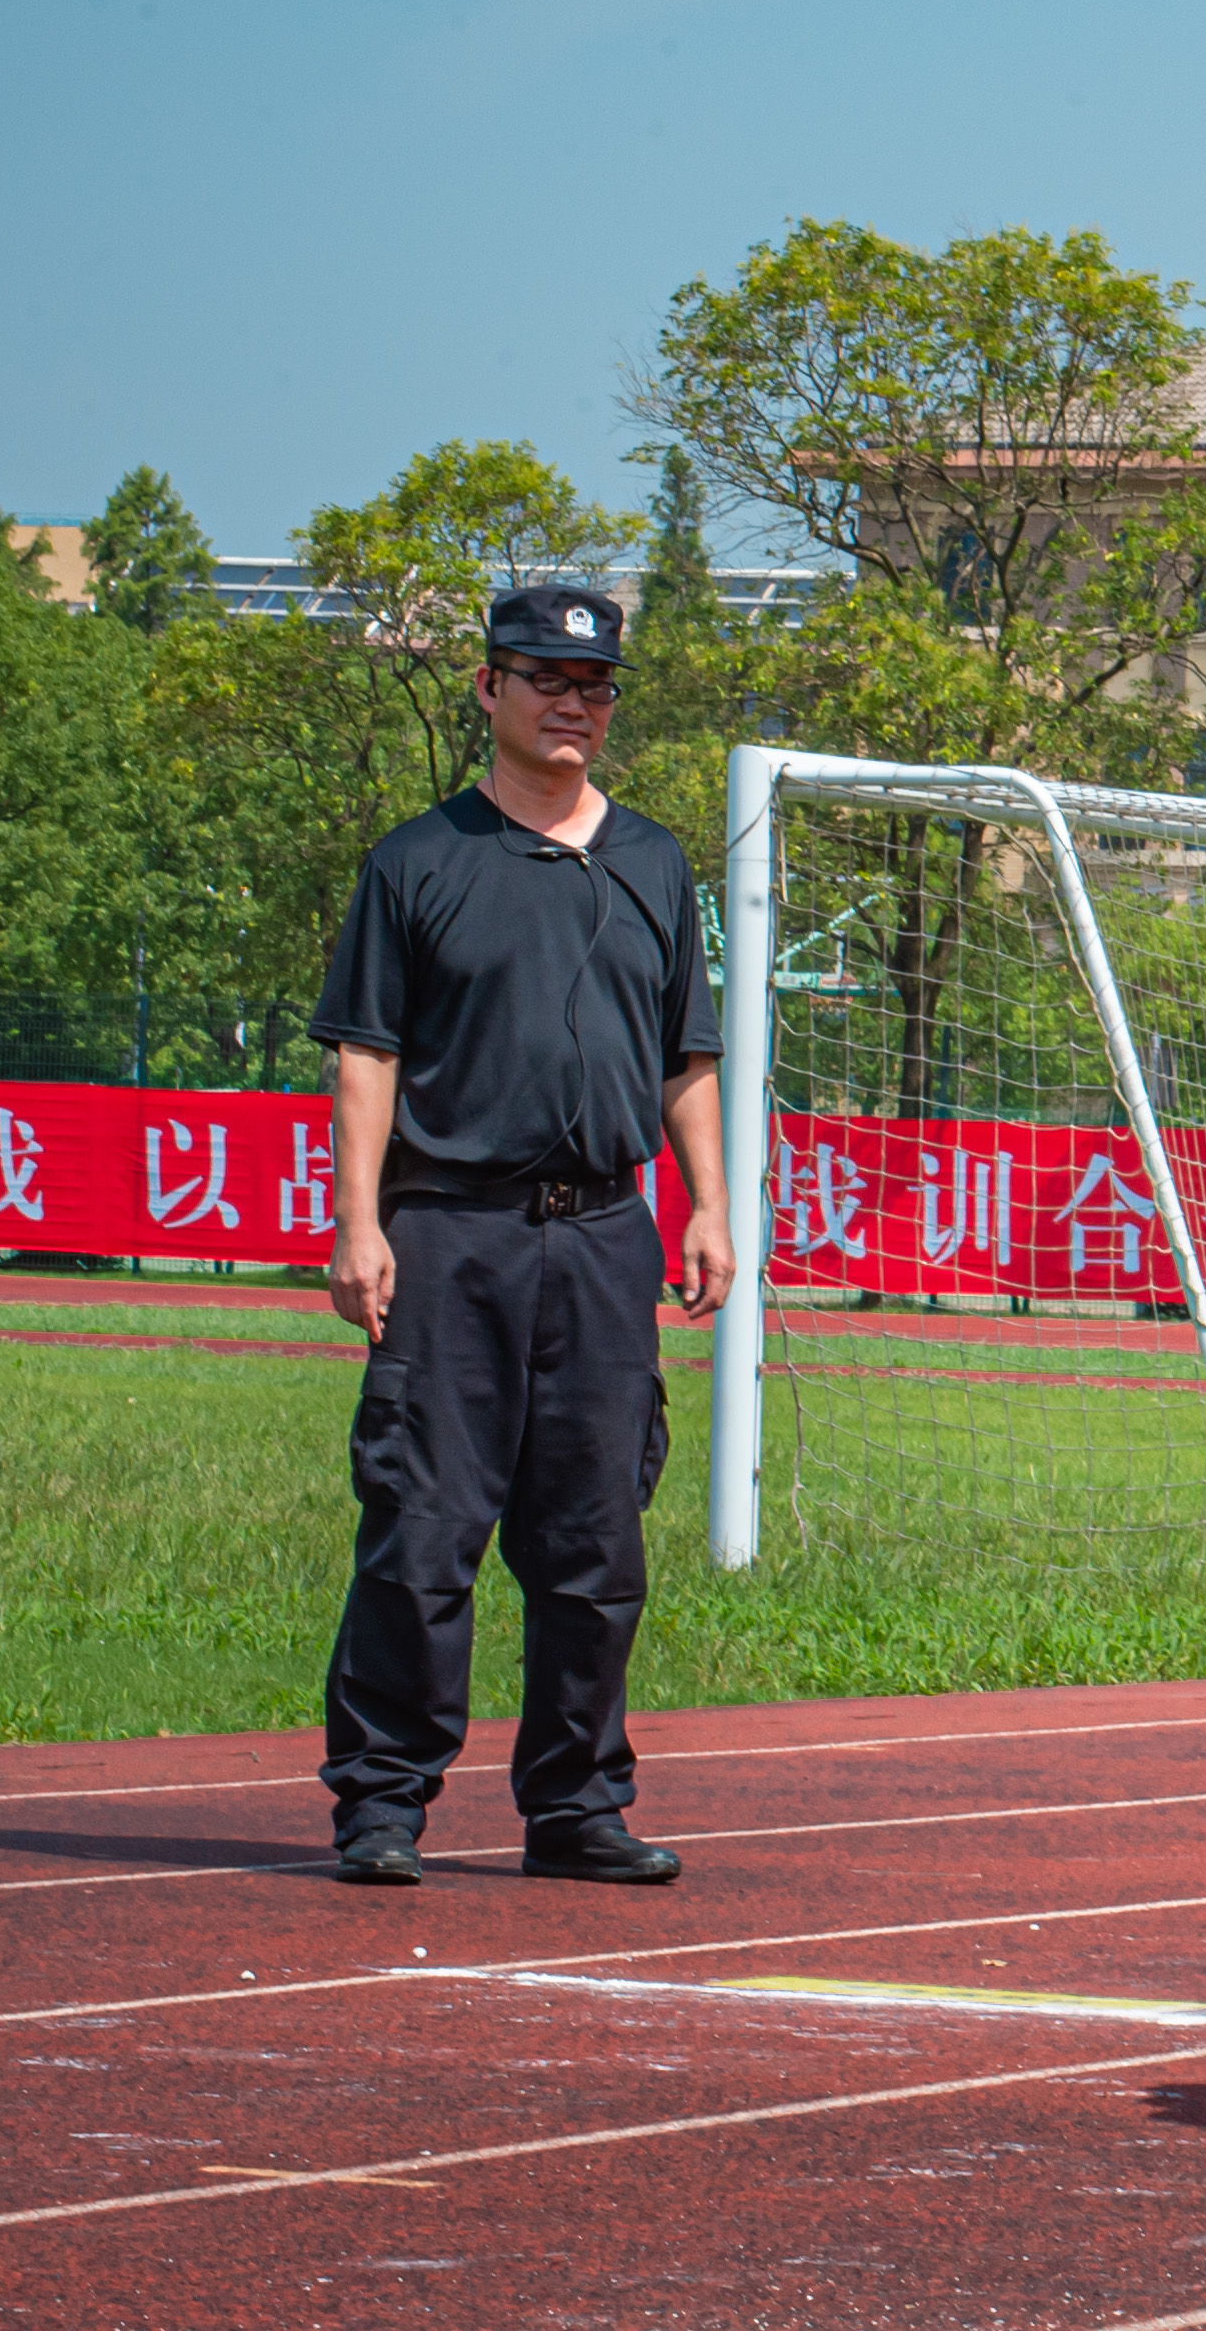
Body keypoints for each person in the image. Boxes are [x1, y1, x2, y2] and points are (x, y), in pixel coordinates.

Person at [308, 585, 736, 1887]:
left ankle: (576, 1807)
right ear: (488, 691)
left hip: (607, 1237)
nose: (573, 705)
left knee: (596, 1539)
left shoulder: (656, 865)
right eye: (546, 678)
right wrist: (357, 1225)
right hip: (451, 1236)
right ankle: (382, 1805)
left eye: (595, 686)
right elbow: (365, 1057)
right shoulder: (418, 863)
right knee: (423, 1529)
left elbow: (688, 1057)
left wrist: (708, 1202)